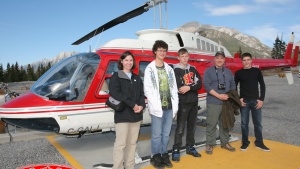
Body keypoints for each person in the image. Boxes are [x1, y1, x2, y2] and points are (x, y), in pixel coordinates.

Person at [144, 40, 178, 168]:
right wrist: (155, 104)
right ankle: (155, 156)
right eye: (160, 50)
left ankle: (164, 154)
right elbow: (147, 89)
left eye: (164, 50)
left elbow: (174, 88)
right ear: (155, 52)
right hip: (158, 108)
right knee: (157, 134)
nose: (162, 53)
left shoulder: (169, 69)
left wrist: (176, 105)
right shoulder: (150, 69)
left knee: (166, 133)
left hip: (169, 107)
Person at [108, 51, 145, 169]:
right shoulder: (116, 76)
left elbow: (141, 94)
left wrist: (141, 106)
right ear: (121, 62)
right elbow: (116, 94)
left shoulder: (137, 78)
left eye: (131, 60)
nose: (129, 62)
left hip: (136, 116)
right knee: (120, 144)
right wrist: (133, 105)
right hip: (122, 115)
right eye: (126, 60)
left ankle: (130, 166)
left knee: (132, 144)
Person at [234, 52, 270, 152]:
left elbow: (262, 85)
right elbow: (234, 87)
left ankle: (259, 142)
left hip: (255, 101)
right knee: (244, 123)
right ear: (242, 61)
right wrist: (238, 99)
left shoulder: (257, 71)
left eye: (248, 60)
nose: (246, 62)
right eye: (244, 60)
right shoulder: (238, 73)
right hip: (244, 102)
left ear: (251, 60)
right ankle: (245, 142)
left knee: (258, 123)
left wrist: (261, 99)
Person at [171, 48, 202, 162]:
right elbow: (179, 87)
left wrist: (189, 87)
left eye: (186, 56)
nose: (185, 58)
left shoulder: (193, 69)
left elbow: (199, 84)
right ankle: (176, 149)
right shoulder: (175, 70)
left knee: (192, 127)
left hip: (194, 103)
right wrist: (191, 86)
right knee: (180, 128)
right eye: (182, 56)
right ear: (178, 57)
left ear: (189, 57)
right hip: (183, 104)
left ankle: (190, 147)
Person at [203, 51, 236, 154]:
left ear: (224, 60)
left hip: (226, 102)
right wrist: (218, 96)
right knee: (211, 123)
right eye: (217, 58)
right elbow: (207, 86)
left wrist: (228, 95)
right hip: (213, 101)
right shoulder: (208, 71)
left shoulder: (228, 72)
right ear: (214, 59)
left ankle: (225, 142)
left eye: (222, 58)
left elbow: (233, 85)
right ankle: (210, 144)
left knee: (225, 123)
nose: (219, 60)